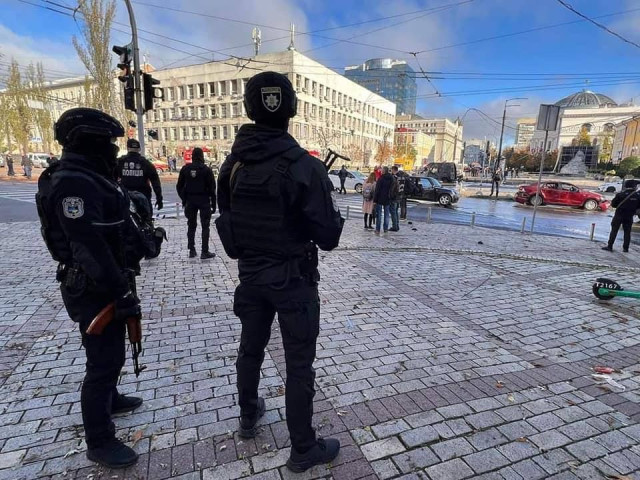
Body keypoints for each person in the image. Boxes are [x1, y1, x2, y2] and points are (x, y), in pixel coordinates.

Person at [217, 71, 344, 473]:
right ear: (290, 109)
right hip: (293, 281)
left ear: (249, 108)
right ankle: (303, 448)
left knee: (250, 349)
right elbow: (329, 237)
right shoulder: (305, 167)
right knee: (299, 365)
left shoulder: (232, 165)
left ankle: (248, 413)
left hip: (251, 277)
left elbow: (229, 222)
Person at [36, 108, 146, 469]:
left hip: (105, 280)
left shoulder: (89, 176)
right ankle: (100, 440)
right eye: (108, 143)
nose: (114, 149)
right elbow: (89, 247)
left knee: (109, 353)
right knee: (102, 362)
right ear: (90, 142)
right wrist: (121, 292)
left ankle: (110, 398)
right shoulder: (74, 183)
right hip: (94, 285)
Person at [177, 147, 216, 259]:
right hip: (204, 200)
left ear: (193, 156)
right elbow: (212, 189)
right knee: (205, 226)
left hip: (190, 200)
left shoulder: (185, 169)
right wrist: (213, 204)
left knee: (191, 225)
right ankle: (204, 251)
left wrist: (184, 198)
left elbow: (179, 186)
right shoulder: (206, 170)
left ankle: (192, 250)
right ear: (202, 156)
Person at [116, 139, 163, 212]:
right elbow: (155, 182)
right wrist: (159, 198)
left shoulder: (120, 162)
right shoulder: (146, 163)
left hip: (126, 197)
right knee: (146, 217)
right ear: (139, 149)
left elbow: (112, 179)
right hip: (143, 196)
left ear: (127, 148)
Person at [602, 186, 640, 253]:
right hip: (629, 216)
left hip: (619, 215)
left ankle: (610, 246)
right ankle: (626, 248)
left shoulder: (620, 194)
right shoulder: (637, 196)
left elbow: (613, 204)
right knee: (627, 232)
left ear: (626, 186)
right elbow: (638, 206)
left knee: (614, 230)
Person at [373, 166, 394, 234]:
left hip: (380, 198)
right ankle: (385, 229)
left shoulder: (381, 178)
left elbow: (377, 190)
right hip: (388, 198)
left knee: (379, 215)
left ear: (384, 171)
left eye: (382, 170)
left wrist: (375, 200)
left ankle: (378, 229)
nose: (381, 171)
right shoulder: (391, 178)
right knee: (386, 215)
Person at [389, 166, 401, 231]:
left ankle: (395, 227)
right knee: (396, 212)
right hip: (398, 197)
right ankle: (397, 225)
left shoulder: (393, 178)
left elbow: (392, 189)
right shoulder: (400, 176)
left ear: (393, 170)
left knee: (393, 212)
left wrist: (390, 196)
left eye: (391, 170)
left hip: (394, 198)